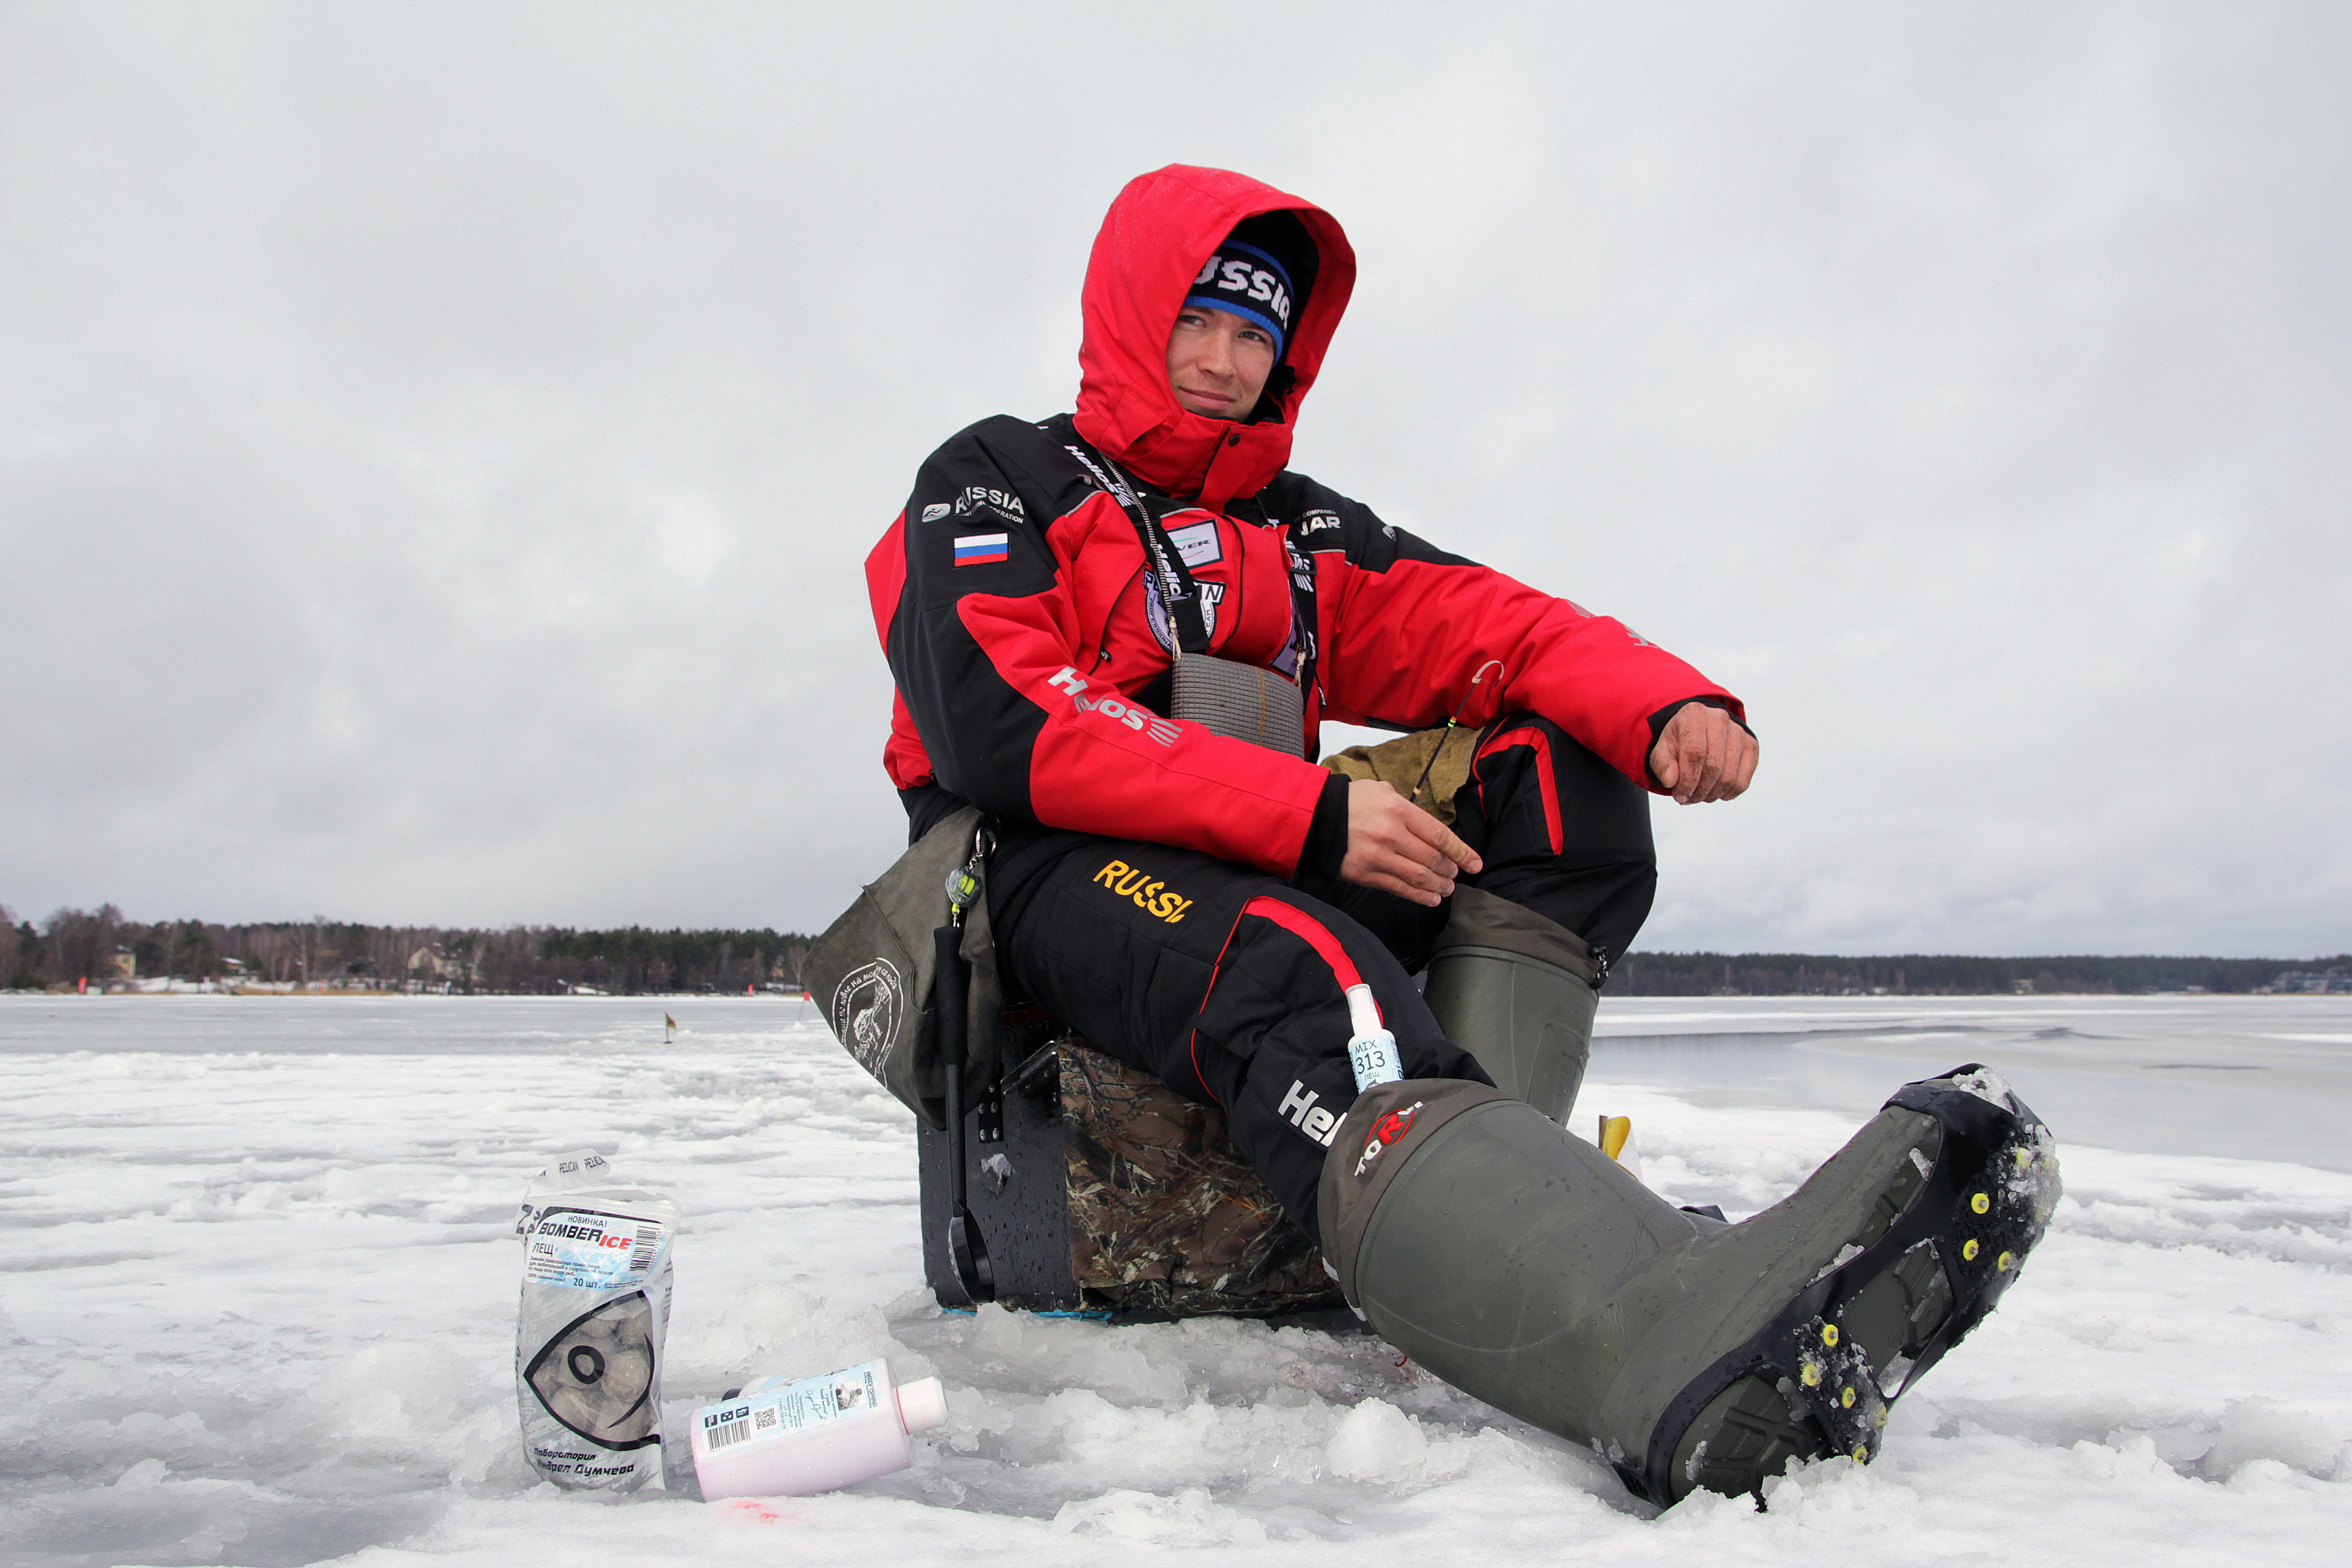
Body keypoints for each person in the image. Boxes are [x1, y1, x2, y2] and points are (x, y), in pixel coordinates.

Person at [863, 165, 2056, 1506]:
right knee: (1303, 975)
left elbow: (1499, 629)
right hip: (1031, 868)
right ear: (1134, 315)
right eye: (1195, 320)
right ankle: (1636, 1351)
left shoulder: (1298, 530)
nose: (1221, 360)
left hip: (1240, 857)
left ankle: (1497, 1224)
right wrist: (1312, 814)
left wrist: (1665, 701)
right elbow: (1004, 722)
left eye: (1255, 335)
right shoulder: (996, 478)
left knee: (1566, 775)